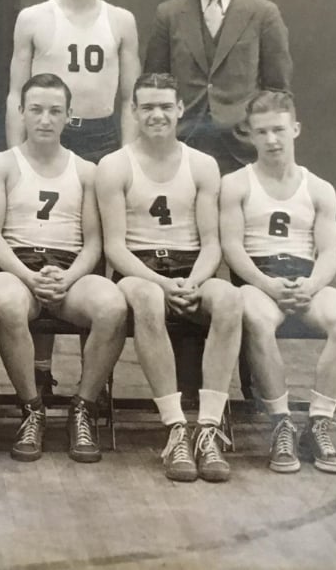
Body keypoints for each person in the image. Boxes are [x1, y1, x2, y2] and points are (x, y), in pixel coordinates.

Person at [5, 0, 141, 393]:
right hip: (42, 139)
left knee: (96, 253)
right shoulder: (34, 18)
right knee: (43, 240)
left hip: (101, 139)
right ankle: (40, 374)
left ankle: (93, 379)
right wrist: (13, 155)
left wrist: (124, 157)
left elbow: (129, 98)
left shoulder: (120, 20)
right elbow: (13, 93)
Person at [97, 73, 242, 482]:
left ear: (180, 109)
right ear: (134, 111)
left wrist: (193, 281)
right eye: (148, 107)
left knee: (230, 301)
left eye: (165, 106)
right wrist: (163, 285)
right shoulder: (114, 165)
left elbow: (213, 242)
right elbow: (115, 248)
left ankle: (208, 429)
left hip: (192, 267)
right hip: (139, 270)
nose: (157, 114)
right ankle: (176, 426)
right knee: (147, 300)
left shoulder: (202, 165)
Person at [0, 73, 128, 463]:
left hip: (68, 268)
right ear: (21, 113)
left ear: (69, 116)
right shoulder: (1, 164)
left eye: (54, 111)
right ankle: (32, 408)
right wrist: (28, 276)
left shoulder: (85, 170)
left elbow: (94, 241)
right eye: (36, 110)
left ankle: (83, 407)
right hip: (17, 266)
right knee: (6, 301)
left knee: (112, 305)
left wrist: (68, 276)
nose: (45, 119)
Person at [220, 90, 336, 475]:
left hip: (305, 279)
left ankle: (319, 420)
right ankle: (281, 421)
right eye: (262, 131)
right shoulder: (236, 184)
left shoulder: (318, 189)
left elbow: (329, 252)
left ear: (295, 129)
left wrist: (311, 286)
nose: (271, 140)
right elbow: (232, 248)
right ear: (250, 135)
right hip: (258, 281)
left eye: (279, 130)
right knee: (257, 318)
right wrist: (267, 284)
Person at [145, 0, 292, 174]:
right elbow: (154, 85)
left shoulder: (263, 13)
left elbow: (277, 91)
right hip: (183, 146)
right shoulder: (169, 14)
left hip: (243, 150)